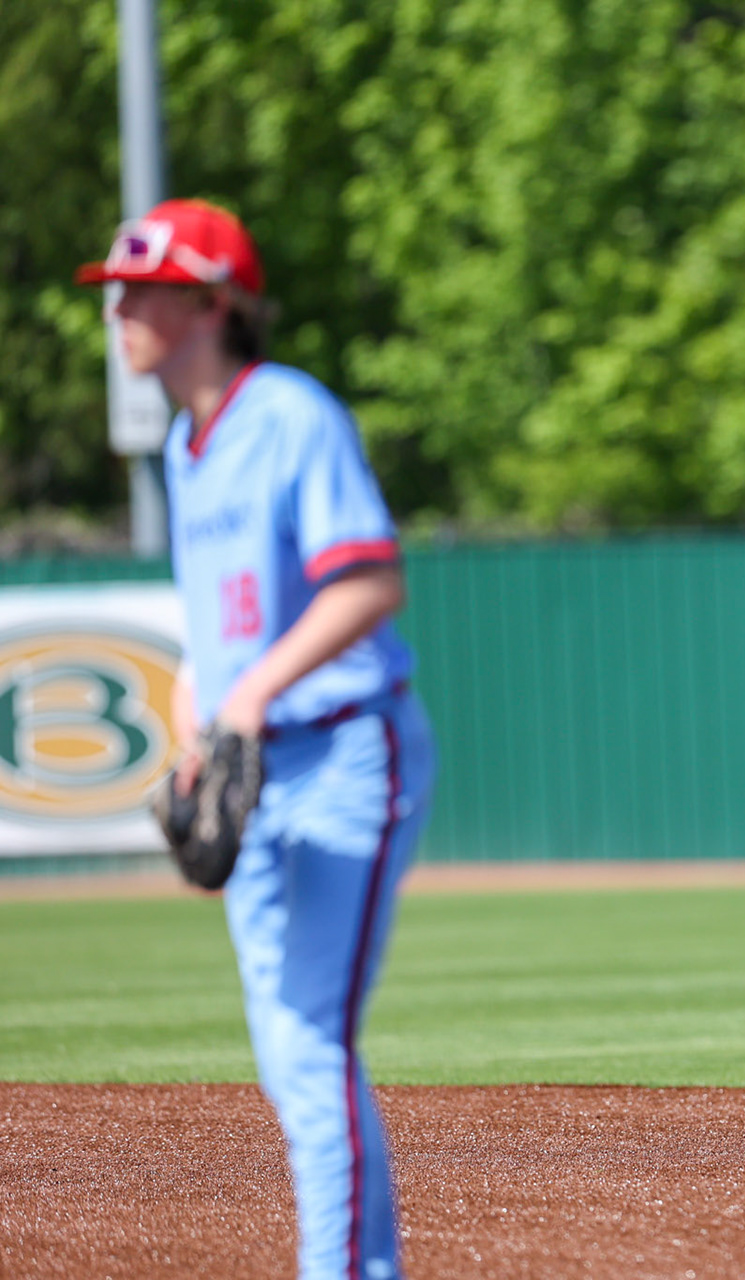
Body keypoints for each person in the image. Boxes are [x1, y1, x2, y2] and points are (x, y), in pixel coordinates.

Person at [78, 199, 434, 1279]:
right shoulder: (188, 447)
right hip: (257, 763)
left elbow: (368, 581)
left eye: (142, 289)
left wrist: (249, 699)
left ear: (210, 302)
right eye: (117, 290)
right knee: (290, 1051)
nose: (121, 309)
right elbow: (219, 639)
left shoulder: (289, 414)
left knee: (311, 1037)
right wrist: (201, 725)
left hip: (342, 758)